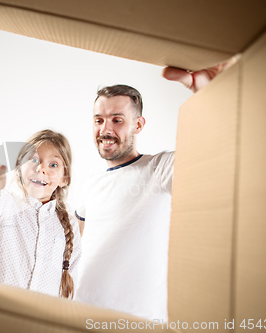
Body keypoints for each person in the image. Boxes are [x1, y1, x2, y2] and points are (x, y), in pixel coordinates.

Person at [74, 62, 234, 319]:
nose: (105, 129)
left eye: (117, 120)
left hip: (139, 321)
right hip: (81, 317)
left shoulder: (160, 169)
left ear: (138, 125)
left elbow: (215, 154)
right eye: (99, 120)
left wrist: (216, 96)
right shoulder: (90, 185)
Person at [0, 129, 81, 298]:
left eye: (53, 164)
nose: (41, 168)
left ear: (64, 178)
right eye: (33, 160)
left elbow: (68, 286)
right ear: (19, 167)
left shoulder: (70, 226)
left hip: (37, 321)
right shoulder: (5, 205)